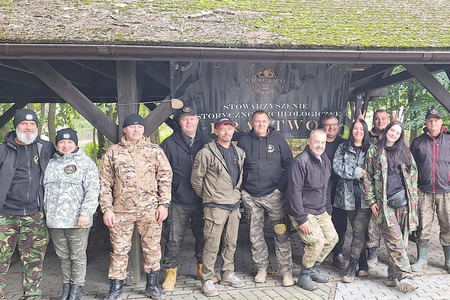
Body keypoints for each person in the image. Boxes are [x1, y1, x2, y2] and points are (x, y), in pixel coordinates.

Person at [99, 114, 173, 300]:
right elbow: (104, 183)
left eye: (139, 127)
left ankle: (152, 286)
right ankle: (116, 289)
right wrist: (107, 209)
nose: (136, 129)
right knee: (119, 250)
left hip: (150, 210)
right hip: (121, 211)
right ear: (124, 129)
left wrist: (163, 204)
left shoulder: (154, 151)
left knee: (152, 248)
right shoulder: (114, 152)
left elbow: (165, 177)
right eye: (132, 126)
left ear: (144, 130)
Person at [0, 109, 56, 299]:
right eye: (24, 124)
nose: (29, 128)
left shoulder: (45, 148)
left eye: (33, 125)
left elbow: (67, 157)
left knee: (33, 262)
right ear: (16, 126)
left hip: (35, 215)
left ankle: (32, 296)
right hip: (5, 216)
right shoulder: (2, 151)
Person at [237, 110, 294, 287]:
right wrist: (243, 190)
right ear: (251, 123)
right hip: (251, 196)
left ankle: (286, 272)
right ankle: (261, 268)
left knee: (281, 233)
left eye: (263, 121)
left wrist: (280, 188)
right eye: (257, 121)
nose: (260, 124)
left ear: (268, 122)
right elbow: (237, 166)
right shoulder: (244, 141)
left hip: (274, 196)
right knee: (255, 235)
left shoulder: (278, 140)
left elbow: (289, 165)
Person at [191, 117, 246, 297]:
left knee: (231, 242)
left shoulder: (239, 152)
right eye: (223, 129)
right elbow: (196, 180)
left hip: (233, 204)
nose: (227, 133)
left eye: (230, 129)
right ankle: (207, 279)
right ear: (216, 131)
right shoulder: (206, 153)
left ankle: (227, 273)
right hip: (215, 206)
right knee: (212, 243)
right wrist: (209, 196)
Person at [363, 120, 419, 292]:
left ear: (400, 135)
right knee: (394, 240)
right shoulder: (374, 150)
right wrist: (371, 200)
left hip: (403, 202)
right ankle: (407, 275)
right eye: (392, 130)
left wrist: (413, 200)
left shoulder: (405, 152)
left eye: (397, 132)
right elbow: (367, 178)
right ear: (387, 130)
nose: (393, 134)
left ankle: (392, 276)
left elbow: (414, 174)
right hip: (384, 204)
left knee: (400, 239)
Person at [160, 107, 212, 291]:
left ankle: (201, 268)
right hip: (177, 200)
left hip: (202, 199)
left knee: (203, 236)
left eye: (192, 118)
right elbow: (160, 173)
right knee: (173, 239)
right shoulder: (168, 144)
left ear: (198, 120)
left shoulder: (208, 142)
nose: (188, 122)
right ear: (179, 122)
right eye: (184, 119)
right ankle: (171, 272)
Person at [44, 128, 99, 300]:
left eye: (69, 142)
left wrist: (86, 213)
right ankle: (66, 288)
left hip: (77, 220)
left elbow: (92, 191)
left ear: (76, 143)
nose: (65, 145)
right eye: (61, 142)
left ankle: (76, 289)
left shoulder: (86, 163)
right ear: (57, 144)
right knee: (63, 257)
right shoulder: (50, 163)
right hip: (55, 221)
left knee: (77, 256)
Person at [286, 129, 338, 291]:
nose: (320, 145)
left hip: (320, 209)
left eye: (322, 142)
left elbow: (326, 188)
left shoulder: (325, 160)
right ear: (309, 141)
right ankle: (304, 276)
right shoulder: (300, 162)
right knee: (317, 241)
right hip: (302, 211)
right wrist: (301, 219)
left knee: (332, 238)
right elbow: (294, 192)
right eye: (316, 142)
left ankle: (313, 269)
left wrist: (328, 210)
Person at [410, 109, 450, 272]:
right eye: (430, 120)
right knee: (423, 225)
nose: (433, 123)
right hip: (424, 191)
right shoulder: (418, 142)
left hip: (446, 191)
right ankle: (422, 259)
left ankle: (448, 261)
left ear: (441, 122)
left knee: (447, 225)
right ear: (426, 123)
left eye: (436, 120)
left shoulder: (449, 140)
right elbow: (411, 167)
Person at [332, 120, 372, 283]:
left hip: (365, 196)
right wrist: (355, 172)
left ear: (365, 131)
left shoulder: (371, 149)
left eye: (361, 128)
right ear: (351, 130)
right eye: (355, 128)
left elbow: (375, 170)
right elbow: (336, 166)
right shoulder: (342, 147)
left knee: (358, 231)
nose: (358, 131)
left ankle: (352, 266)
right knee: (358, 231)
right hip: (347, 196)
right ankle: (362, 263)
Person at [320, 114, 347, 269]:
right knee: (320, 222)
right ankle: (320, 253)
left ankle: (338, 253)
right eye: (327, 125)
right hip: (320, 191)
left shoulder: (344, 144)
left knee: (340, 223)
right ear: (322, 127)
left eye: (334, 125)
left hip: (340, 190)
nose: (331, 128)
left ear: (338, 126)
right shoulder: (317, 143)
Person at [366, 108, 390, 267]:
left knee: (391, 223)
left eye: (383, 118)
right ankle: (372, 251)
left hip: (392, 189)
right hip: (374, 186)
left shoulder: (394, 135)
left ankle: (393, 254)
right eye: (377, 119)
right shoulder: (367, 136)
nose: (380, 121)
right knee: (372, 223)